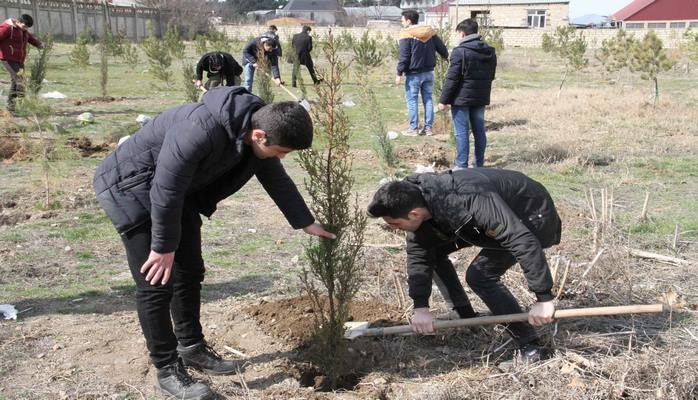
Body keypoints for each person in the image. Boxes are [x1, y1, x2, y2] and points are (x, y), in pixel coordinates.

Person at [93, 87, 335, 399]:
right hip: (132, 187)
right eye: (282, 151)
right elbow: (165, 187)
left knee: (190, 270)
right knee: (156, 282)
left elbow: (275, 176)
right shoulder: (199, 130)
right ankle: (167, 370)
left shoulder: (251, 127)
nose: (282, 157)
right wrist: (163, 247)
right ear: (260, 135)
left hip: (179, 193)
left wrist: (305, 222)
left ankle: (191, 346)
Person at [367, 168, 562, 361]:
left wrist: (543, 298)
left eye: (396, 224)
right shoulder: (420, 199)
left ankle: (530, 344)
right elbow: (419, 255)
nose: (393, 229)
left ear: (415, 214)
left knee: (479, 276)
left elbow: (521, 239)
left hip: (531, 216)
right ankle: (465, 316)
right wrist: (421, 308)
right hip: (482, 223)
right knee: (432, 253)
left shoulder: (473, 200)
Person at [438, 19, 497, 169]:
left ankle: (461, 165)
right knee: (479, 131)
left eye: (458, 34)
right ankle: (478, 164)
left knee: (461, 132)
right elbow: (491, 75)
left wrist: (443, 100)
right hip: (481, 97)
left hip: (461, 99)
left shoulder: (460, 52)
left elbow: (452, 79)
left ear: (462, 33)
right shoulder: (490, 51)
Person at [396, 9, 448, 137]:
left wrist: (399, 73)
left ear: (408, 20)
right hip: (429, 72)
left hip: (413, 74)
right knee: (428, 100)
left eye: (402, 20)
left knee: (412, 100)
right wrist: (447, 57)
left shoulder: (406, 34)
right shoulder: (430, 32)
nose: (401, 22)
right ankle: (428, 129)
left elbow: (404, 56)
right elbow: (442, 48)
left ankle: (413, 129)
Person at [0, 14, 42, 114]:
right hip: (8, 58)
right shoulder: (7, 28)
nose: (26, 29)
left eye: (27, 28)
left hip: (19, 60)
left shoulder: (23, 30)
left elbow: (30, 38)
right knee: (20, 81)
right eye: (24, 26)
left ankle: (11, 108)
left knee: (15, 83)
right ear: (18, 22)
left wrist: (38, 44)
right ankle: (21, 106)